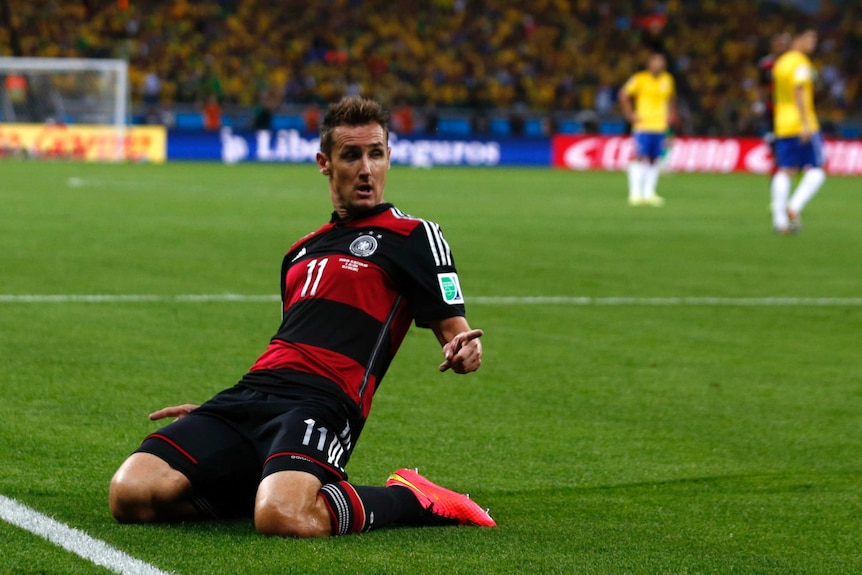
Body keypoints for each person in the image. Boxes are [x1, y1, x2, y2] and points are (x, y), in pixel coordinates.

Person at [109, 96, 496, 537]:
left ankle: (413, 496)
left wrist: (465, 347)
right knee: (131, 494)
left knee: (284, 518)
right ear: (325, 163)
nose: (366, 168)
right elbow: (291, 340)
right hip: (250, 395)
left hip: (324, 402)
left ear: (389, 157)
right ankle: (259, 477)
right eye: (351, 155)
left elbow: (455, 328)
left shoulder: (413, 236)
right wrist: (212, 418)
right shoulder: (299, 251)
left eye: (376, 154)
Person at [770, 28, 826, 234]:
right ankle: (793, 206)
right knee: (818, 170)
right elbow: (799, 91)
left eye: (815, 38)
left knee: (786, 170)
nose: (813, 42)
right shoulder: (801, 62)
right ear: (797, 39)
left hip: (782, 123)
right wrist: (804, 123)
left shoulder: (781, 63)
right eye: (809, 38)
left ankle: (779, 221)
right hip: (803, 123)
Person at [618, 50, 676, 207]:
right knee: (638, 157)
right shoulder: (640, 78)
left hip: (660, 126)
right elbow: (623, 94)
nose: (659, 64)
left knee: (654, 159)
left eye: (661, 61)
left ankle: (649, 193)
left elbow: (671, 99)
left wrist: (671, 116)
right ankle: (635, 194)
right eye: (655, 61)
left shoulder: (668, 80)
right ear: (649, 64)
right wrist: (630, 114)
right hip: (643, 125)